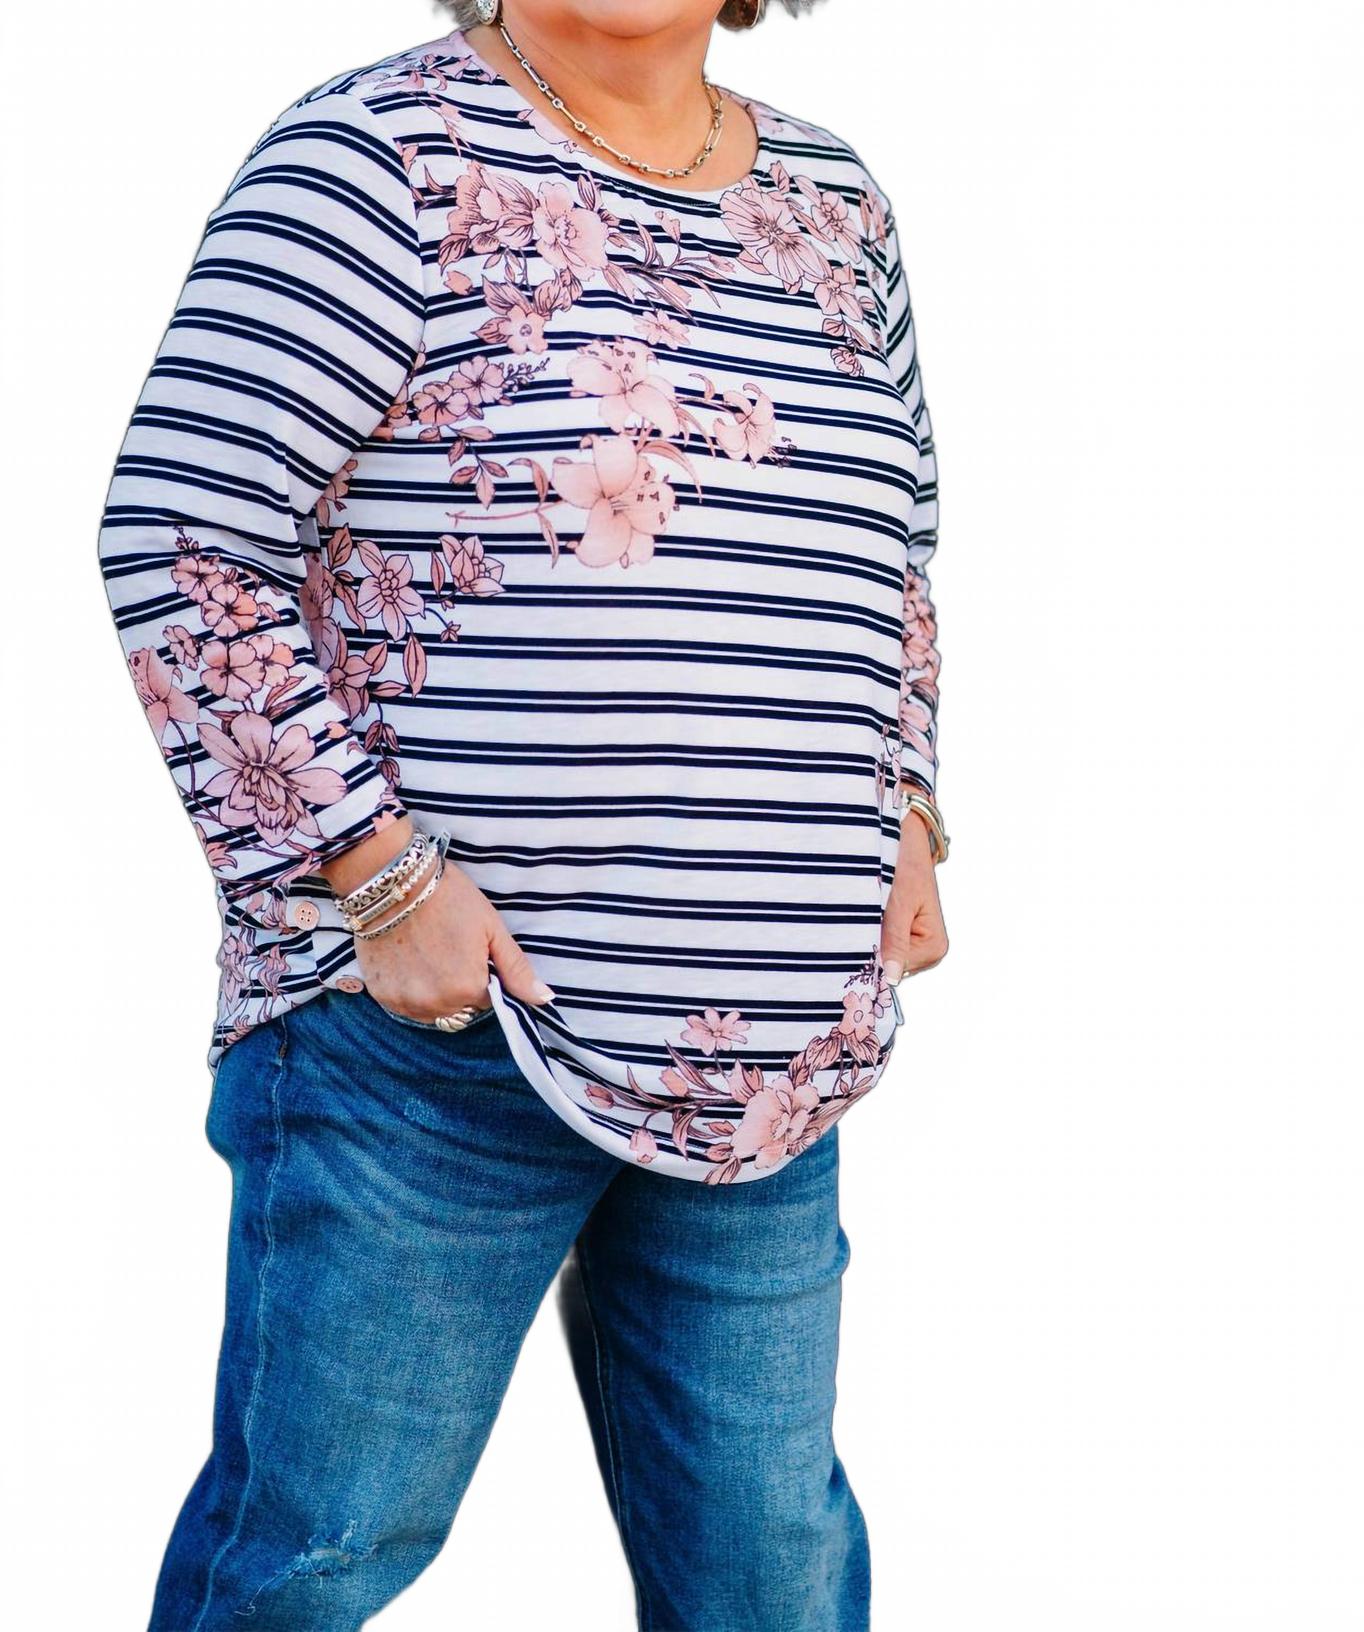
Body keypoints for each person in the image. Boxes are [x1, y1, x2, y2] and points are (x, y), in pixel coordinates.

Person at [98, 1, 947, 1625]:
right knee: (314, 1564)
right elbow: (183, 533)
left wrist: (907, 804)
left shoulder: (837, 203)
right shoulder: (377, 156)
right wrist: (375, 874)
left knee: (771, 1582)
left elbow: (896, 552)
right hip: (432, 1049)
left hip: (767, 1062)